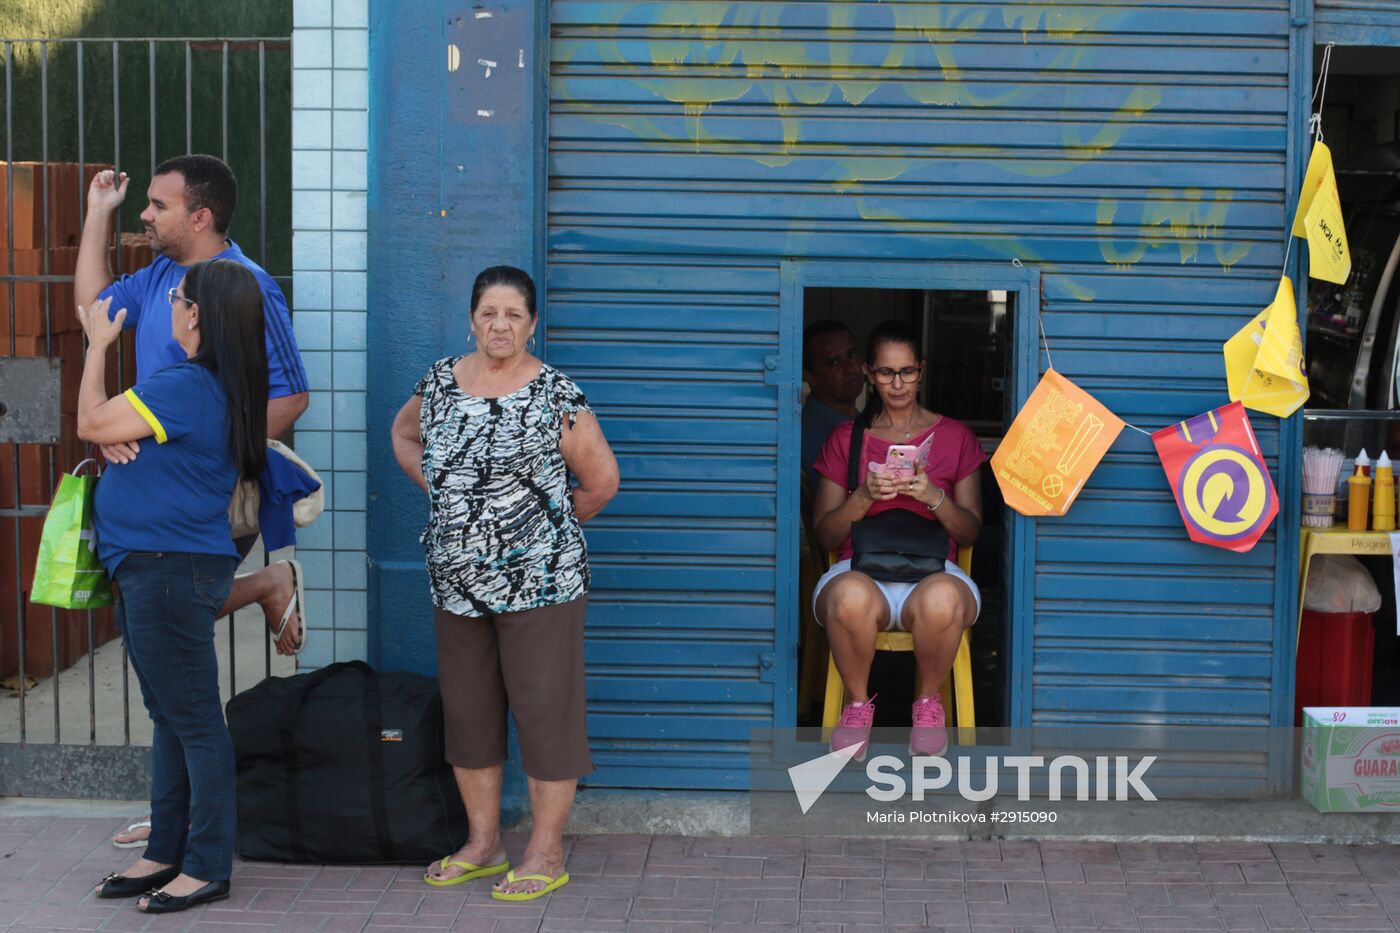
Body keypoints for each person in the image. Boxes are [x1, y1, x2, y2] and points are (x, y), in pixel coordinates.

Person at [391, 266, 619, 901]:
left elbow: (601, 482)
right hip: (455, 583)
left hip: (541, 586)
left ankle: (545, 852)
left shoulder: (555, 394)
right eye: (489, 312)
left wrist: (540, 530)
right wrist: (444, 495)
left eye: (513, 315)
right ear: (471, 318)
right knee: (470, 716)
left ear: (532, 324)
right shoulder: (439, 383)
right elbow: (403, 436)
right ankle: (483, 844)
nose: (500, 325)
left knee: (547, 717)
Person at [78, 258, 269, 914]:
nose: (169, 304)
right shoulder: (205, 385)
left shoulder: (188, 384)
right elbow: (114, 434)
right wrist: (116, 441)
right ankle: (165, 848)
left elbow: (91, 422)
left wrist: (99, 348)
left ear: (196, 315)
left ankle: (207, 863)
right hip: (155, 563)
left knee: (193, 719)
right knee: (171, 715)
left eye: (178, 297)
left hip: (168, 566)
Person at [76, 156, 310, 682]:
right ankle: (269, 584)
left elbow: (290, 397)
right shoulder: (161, 273)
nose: (146, 214)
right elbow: (95, 310)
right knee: (160, 610)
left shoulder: (248, 287)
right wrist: (97, 213)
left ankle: (269, 585)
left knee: (178, 603)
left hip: (206, 485)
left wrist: (209, 459)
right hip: (154, 487)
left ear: (200, 217)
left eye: (160, 205)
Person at [810, 320, 985, 759]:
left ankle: (927, 706)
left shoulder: (955, 438)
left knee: (943, 599)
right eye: (886, 373)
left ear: (921, 371)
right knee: (847, 596)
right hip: (862, 569)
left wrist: (933, 497)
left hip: (932, 572)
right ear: (870, 373)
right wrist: (864, 497)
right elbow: (826, 532)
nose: (898, 383)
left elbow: (969, 530)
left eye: (907, 371)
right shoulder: (846, 440)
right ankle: (856, 706)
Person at [802, 320, 862, 487]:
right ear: (809, 377)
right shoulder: (819, 434)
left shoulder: (856, 420)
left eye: (851, 355)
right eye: (834, 363)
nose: (850, 368)